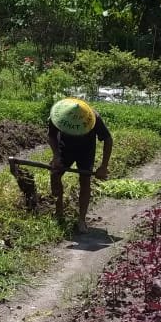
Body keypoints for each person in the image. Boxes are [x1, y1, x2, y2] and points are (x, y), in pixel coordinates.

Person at [48, 97, 112, 233]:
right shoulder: (58, 115)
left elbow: (108, 139)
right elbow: (51, 135)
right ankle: (59, 212)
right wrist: (56, 156)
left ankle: (81, 220)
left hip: (85, 151)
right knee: (54, 174)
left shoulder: (94, 118)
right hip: (64, 148)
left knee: (85, 181)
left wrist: (104, 166)